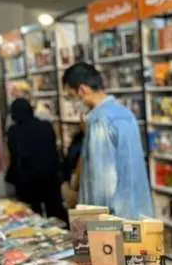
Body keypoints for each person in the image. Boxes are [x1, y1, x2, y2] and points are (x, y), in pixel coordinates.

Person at [62, 62, 153, 219]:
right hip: (136, 213)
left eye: (71, 96)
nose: (73, 104)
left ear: (82, 90)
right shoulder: (126, 113)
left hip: (111, 222)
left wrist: (89, 223)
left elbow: (102, 186)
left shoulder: (99, 121)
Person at [6, 98, 67, 222]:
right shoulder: (46, 126)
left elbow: (14, 155)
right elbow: (54, 149)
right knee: (55, 210)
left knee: (32, 215)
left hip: (26, 179)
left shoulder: (13, 131)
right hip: (49, 175)